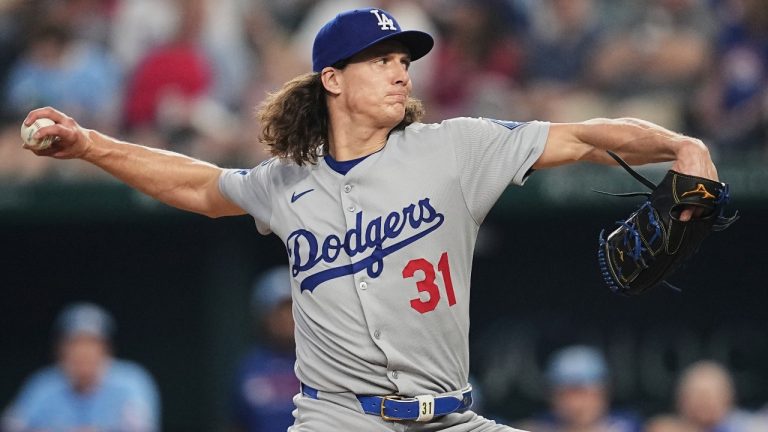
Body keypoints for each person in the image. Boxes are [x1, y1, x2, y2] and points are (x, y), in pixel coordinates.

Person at [20, 6, 721, 431]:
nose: (400, 72)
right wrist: (91, 145)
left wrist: (679, 145)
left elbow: (585, 136)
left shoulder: (456, 148)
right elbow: (201, 187)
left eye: (404, 60)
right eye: (380, 60)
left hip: (451, 417)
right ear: (332, 79)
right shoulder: (286, 182)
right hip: (336, 420)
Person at [1, 302, 161, 432]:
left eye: (91, 343)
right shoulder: (44, 384)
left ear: (106, 349)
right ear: (61, 350)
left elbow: (143, 427)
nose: (83, 352)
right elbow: (11, 425)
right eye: (75, 344)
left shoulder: (131, 381)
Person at [231, 265, 299, 432]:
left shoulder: (320, 361)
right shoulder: (249, 366)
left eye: (292, 309)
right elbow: (236, 423)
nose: (287, 318)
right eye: (280, 310)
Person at [515, 345, 641, 432]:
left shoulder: (630, 425)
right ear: (551, 396)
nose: (577, 404)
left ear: (605, 392)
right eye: (568, 394)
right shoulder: (536, 427)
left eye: (585, 393)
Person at [672, 360, 767, 432]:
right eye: (697, 396)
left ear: (727, 397)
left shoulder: (749, 426)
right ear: (682, 400)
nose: (703, 403)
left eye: (708, 396)